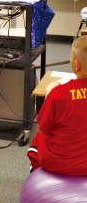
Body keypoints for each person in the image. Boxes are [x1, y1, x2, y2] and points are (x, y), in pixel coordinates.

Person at [27, 36, 87, 176]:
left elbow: (45, 128)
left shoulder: (58, 93)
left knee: (39, 137)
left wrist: (50, 93)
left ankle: (34, 171)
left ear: (76, 65)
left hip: (59, 164)